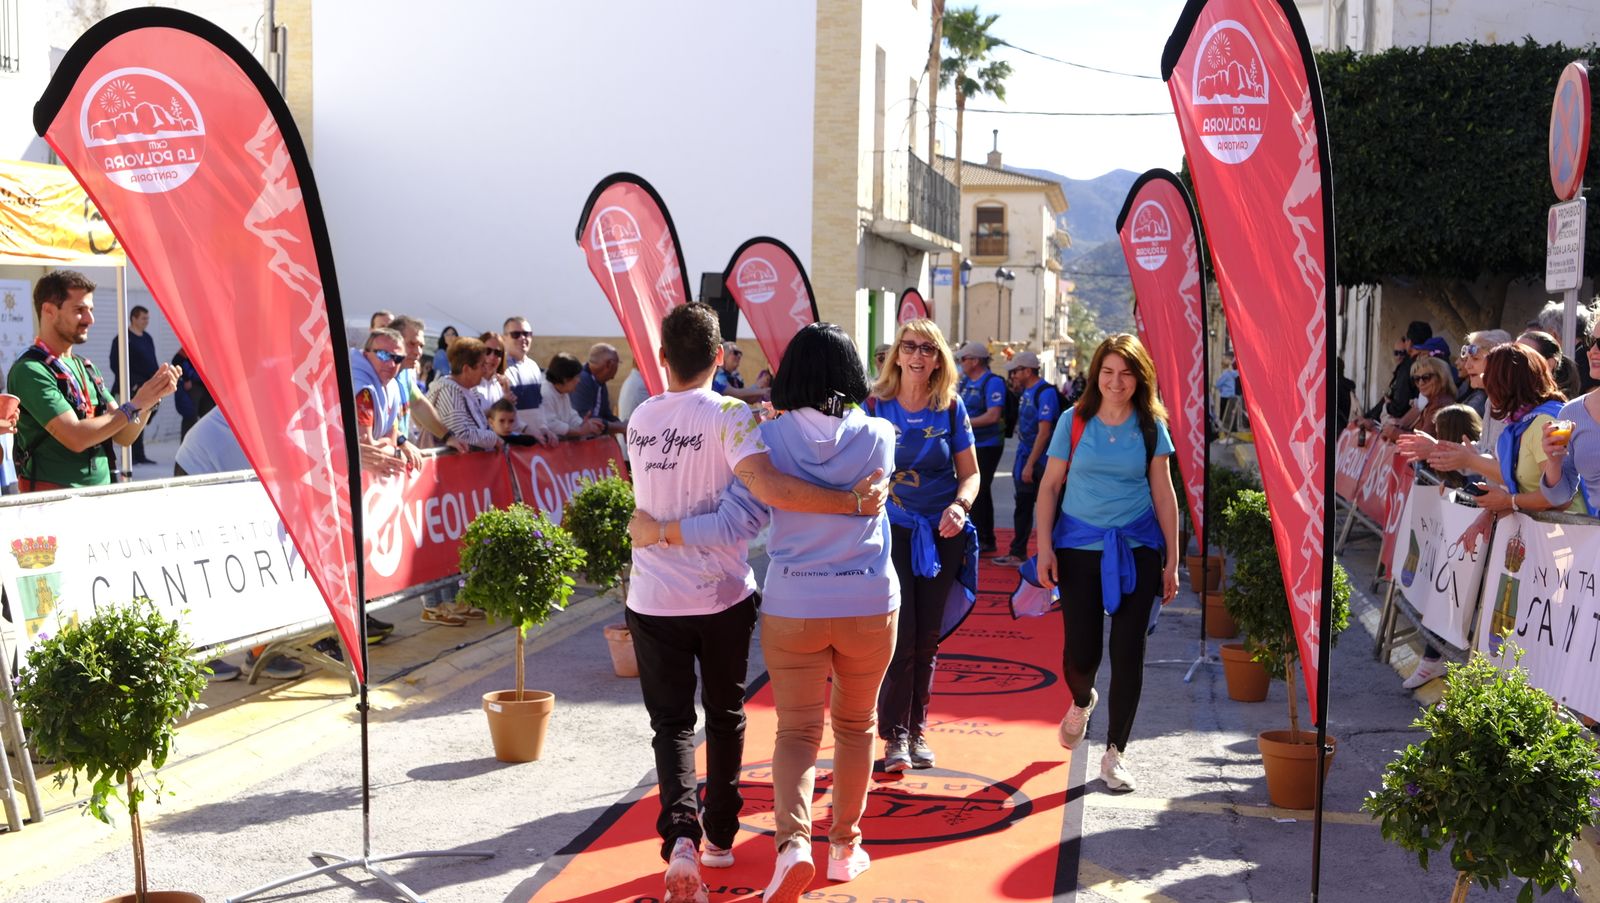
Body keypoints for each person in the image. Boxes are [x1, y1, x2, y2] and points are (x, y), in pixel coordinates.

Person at [618, 305, 888, 903]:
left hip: (655, 594)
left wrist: (660, 531)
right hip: (722, 594)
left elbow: (670, 504)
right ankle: (723, 838)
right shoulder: (734, 418)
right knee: (727, 715)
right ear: (720, 357)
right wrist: (850, 505)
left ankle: (684, 839)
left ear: (661, 358)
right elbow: (758, 500)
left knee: (672, 726)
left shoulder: (639, 417)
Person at [1034, 334, 1180, 793]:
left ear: (1140, 378)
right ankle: (1081, 701)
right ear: (1097, 374)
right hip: (1079, 547)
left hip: (1137, 548)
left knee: (1128, 651)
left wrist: (1172, 560)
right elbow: (1050, 487)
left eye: (1127, 373)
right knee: (1081, 654)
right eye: (1108, 372)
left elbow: (1163, 493)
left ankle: (1115, 753)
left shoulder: (1152, 426)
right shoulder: (1072, 422)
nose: (1117, 382)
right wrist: (1044, 547)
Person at [869, 321, 978, 774]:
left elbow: (970, 473)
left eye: (927, 349)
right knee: (901, 635)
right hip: (890, 534)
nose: (917, 355)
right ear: (896, 355)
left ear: (938, 359)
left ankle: (917, 730)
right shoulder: (874, 404)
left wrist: (961, 505)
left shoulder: (951, 408)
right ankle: (893, 735)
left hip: (941, 535)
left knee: (927, 638)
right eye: (909, 347)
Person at [9, 271, 178, 492]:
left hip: (98, 496)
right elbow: (76, 437)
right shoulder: (30, 370)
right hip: (51, 502)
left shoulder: (85, 367)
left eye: (90, 310)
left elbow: (124, 435)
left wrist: (148, 401)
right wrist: (135, 404)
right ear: (49, 310)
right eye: (80, 310)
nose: (90, 319)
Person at [993, 350, 1059, 567]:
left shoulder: (1045, 393)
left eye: (1016, 371)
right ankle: (1017, 551)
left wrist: (1030, 464)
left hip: (1043, 461)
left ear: (1028, 371)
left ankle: (1054, 554)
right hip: (1026, 456)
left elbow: (1044, 432)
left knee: (1049, 509)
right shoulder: (1026, 392)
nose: (1012, 376)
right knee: (1022, 504)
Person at [1541, 314, 1600, 516]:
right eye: (1592, 342)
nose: (1592, 351)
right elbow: (1560, 497)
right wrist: (1553, 461)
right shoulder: (1572, 412)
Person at [350, 328, 423, 478]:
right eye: (383, 355)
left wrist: (399, 444)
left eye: (397, 359)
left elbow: (391, 437)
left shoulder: (392, 386)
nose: (390, 364)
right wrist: (396, 452)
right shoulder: (362, 389)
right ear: (366, 353)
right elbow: (366, 447)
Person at [955, 340, 1007, 554]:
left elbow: (993, 415)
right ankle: (976, 533)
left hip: (988, 443)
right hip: (970, 443)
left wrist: (962, 423)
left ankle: (987, 538)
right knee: (969, 489)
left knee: (981, 489)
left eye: (963, 359)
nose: (960, 363)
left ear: (975, 361)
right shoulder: (966, 381)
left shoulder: (993, 382)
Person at [107, 304, 160, 466]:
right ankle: (129, 457)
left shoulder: (147, 338)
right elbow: (115, 364)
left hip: (147, 387)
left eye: (148, 318)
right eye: (143, 318)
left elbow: (152, 361)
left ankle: (139, 455)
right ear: (134, 318)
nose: (146, 321)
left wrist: (156, 380)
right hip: (129, 388)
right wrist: (134, 384)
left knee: (142, 420)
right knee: (128, 421)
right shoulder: (122, 339)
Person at [500, 316, 557, 443]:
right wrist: (526, 430)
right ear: (504, 338)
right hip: (514, 441)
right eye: (515, 334)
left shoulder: (533, 366)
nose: (522, 338)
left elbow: (539, 404)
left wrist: (543, 428)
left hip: (535, 440)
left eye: (527, 334)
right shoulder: (500, 368)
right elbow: (501, 410)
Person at [539, 353, 605, 440]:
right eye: (577, 377)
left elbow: (571, 415)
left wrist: (583, 425)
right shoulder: (546, 393)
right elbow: (551, 424)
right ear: (565, 379)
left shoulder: (563, 391)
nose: (579, 381)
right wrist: (579, 431)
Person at [571, 343, 627, 435]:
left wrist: (621, 425)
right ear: (609, 364)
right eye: (618, 363)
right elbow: (585, 420)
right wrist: (620, 427)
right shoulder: (581, 379)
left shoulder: (600, 381)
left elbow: (606, 415)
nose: (617, 367)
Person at [170, 346, 214, 439]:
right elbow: (176, 360)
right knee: (190, 417)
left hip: (209, 387)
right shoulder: (192, 344)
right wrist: (186, 379)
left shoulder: (213, 346)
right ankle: (186, 449)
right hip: (194, 387)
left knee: (209, 419)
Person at [1215, 356, 1240, 435]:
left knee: (1223, 414)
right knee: (1230, 414)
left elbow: (1217, 385)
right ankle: (1230, 430)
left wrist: (1221, 390)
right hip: (1231, 396)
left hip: (1225, 396)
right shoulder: (1231, 373)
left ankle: (1223, 431)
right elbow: (1238, 373)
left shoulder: (1225, 374)